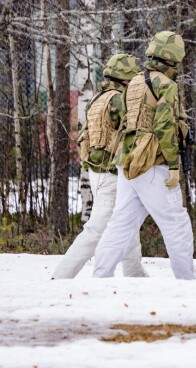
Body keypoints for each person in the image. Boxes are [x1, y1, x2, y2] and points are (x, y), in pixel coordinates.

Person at [92, 31, 195, 280]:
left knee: (121, 222)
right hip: (152, 162)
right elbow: (165, 126)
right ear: (174, 58)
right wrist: (173, 166)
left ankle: (100, 276)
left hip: (128, 159)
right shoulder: (166, 85)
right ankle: (187, 280)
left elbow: (126, 121)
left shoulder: (135, 81)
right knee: (176, 222)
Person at [53, 54, 147, 279]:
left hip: (99, 171)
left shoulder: (99, 97)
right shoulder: (118, 100)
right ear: (126, 78)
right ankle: (61, 276)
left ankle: (135, 275)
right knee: (96, 229)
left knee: (127, 223)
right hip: (110, 173)